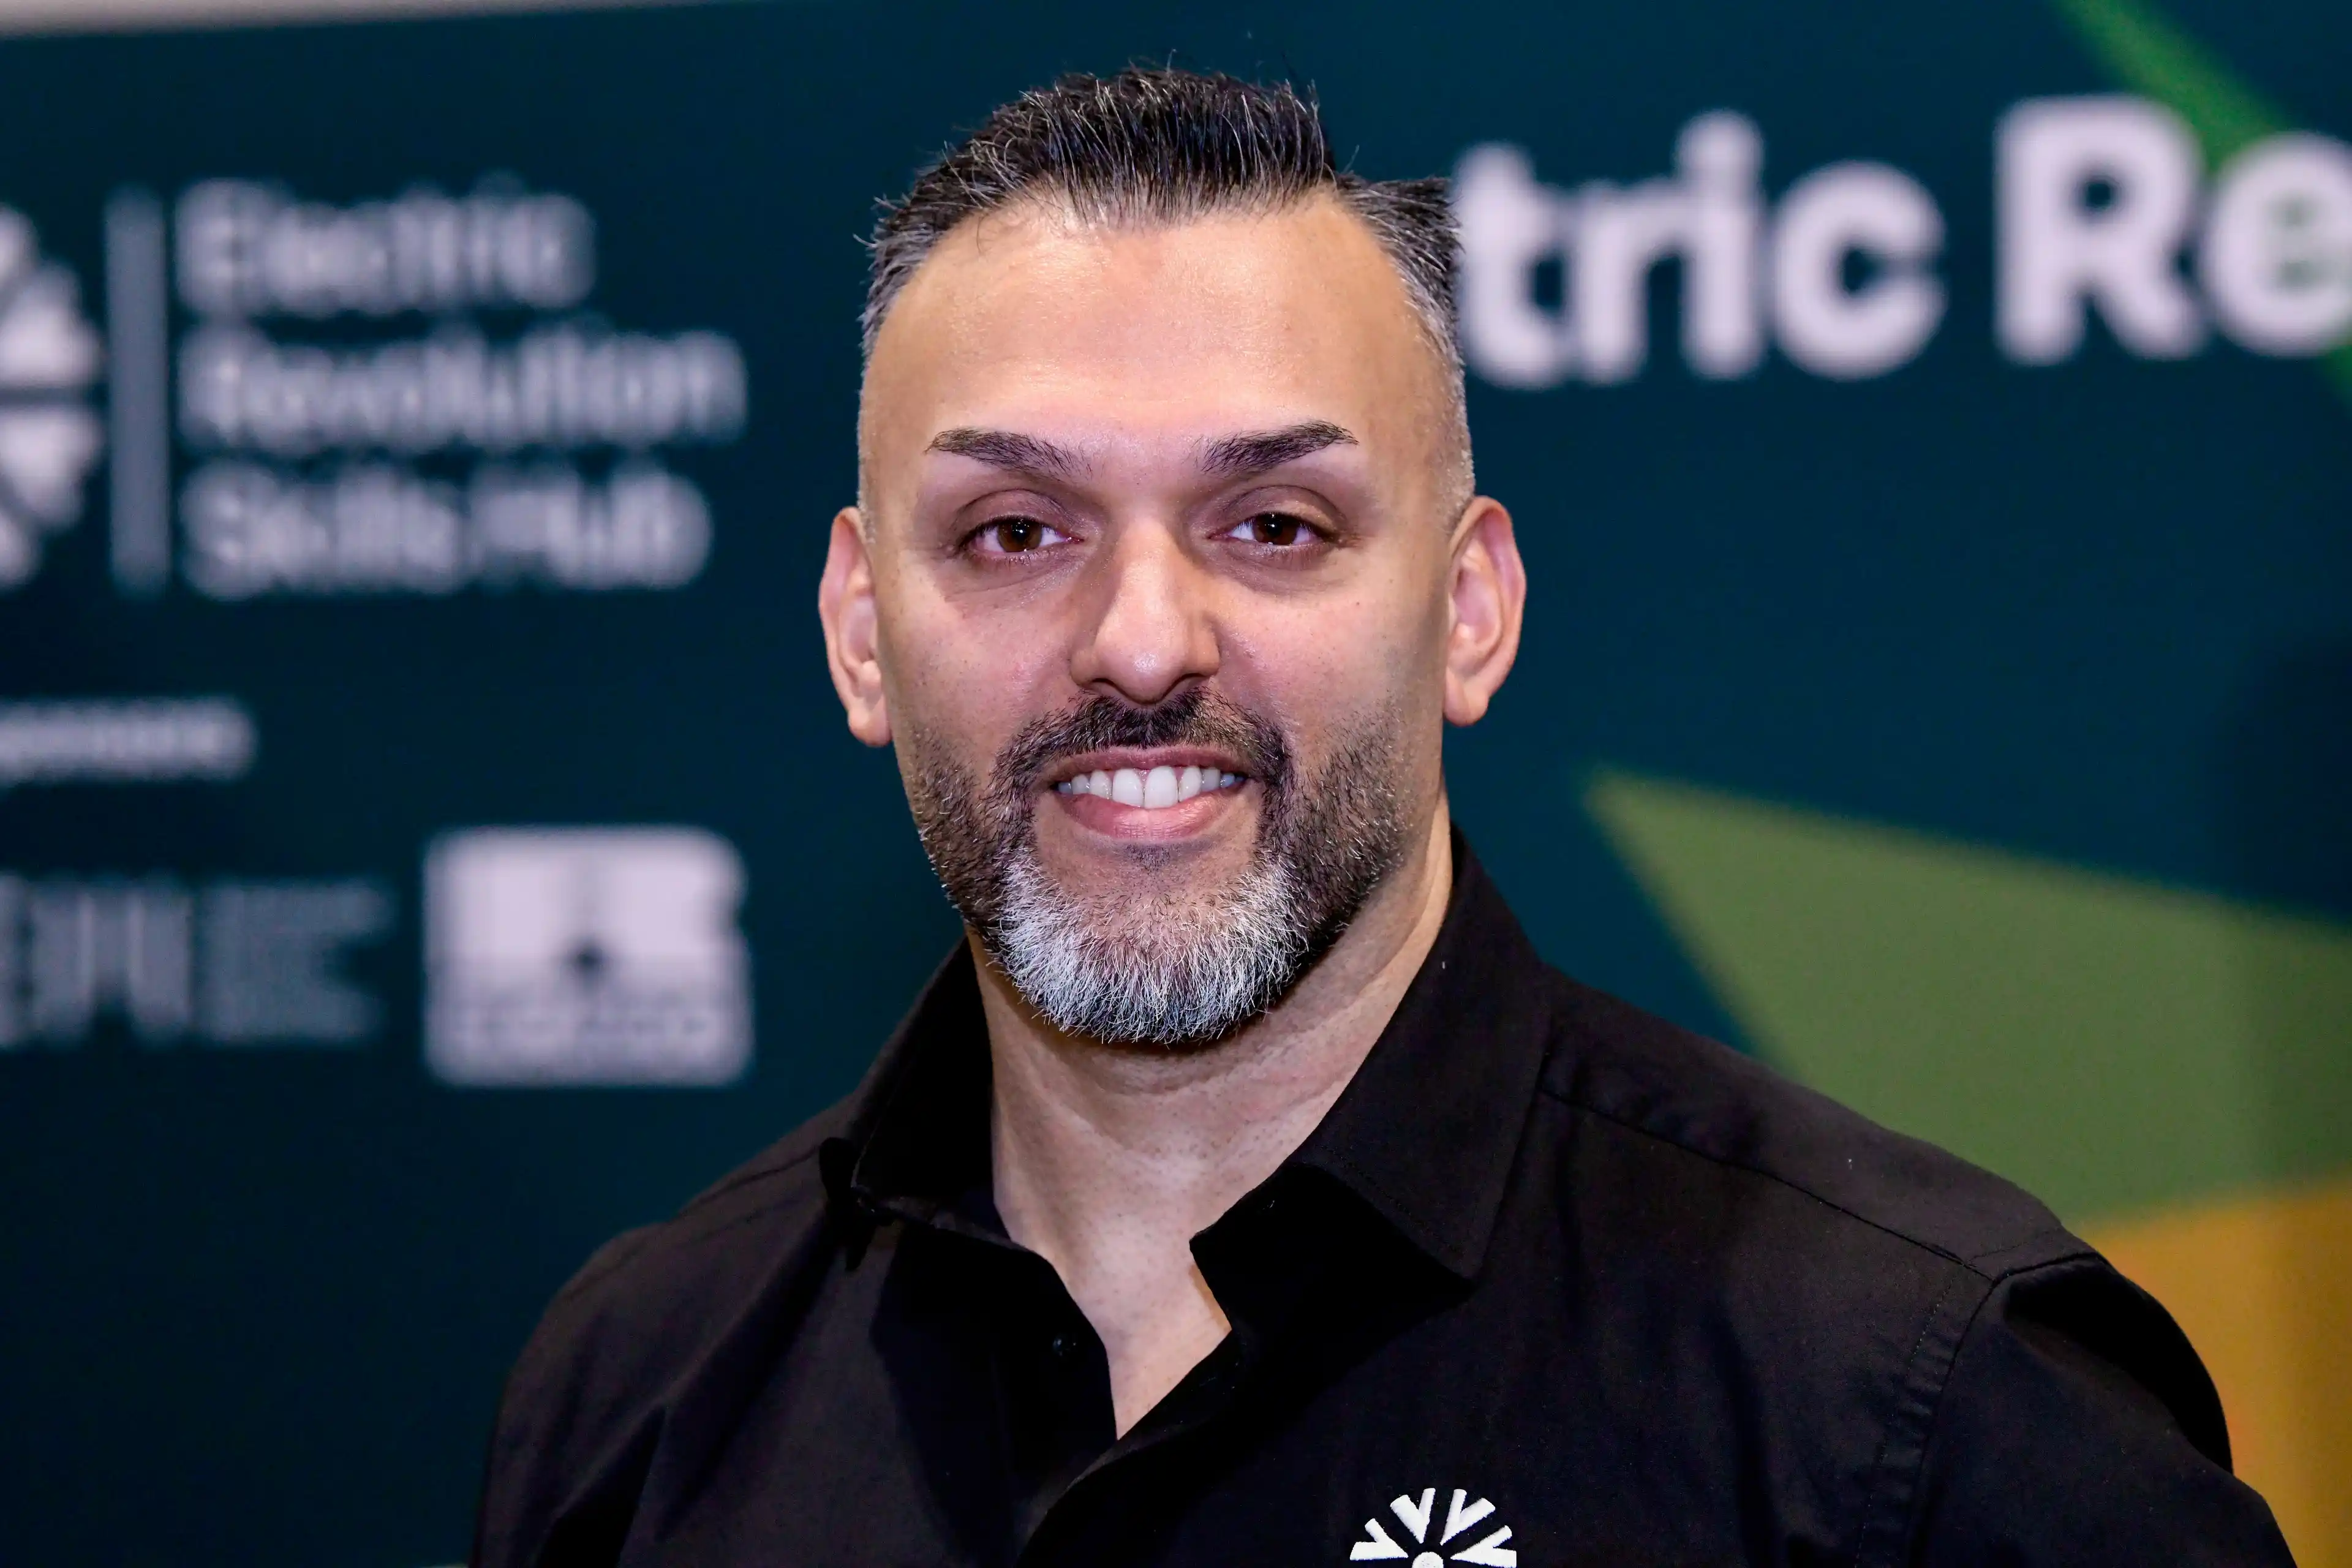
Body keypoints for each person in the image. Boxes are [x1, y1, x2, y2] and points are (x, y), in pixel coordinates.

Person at [472, 68, 2291, 1567]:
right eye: (1015, 532)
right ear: (863, 633)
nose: (1141, 642)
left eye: (1276, 526)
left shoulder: (1928, 1405)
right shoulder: (640, 1388)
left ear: (1470, 611)